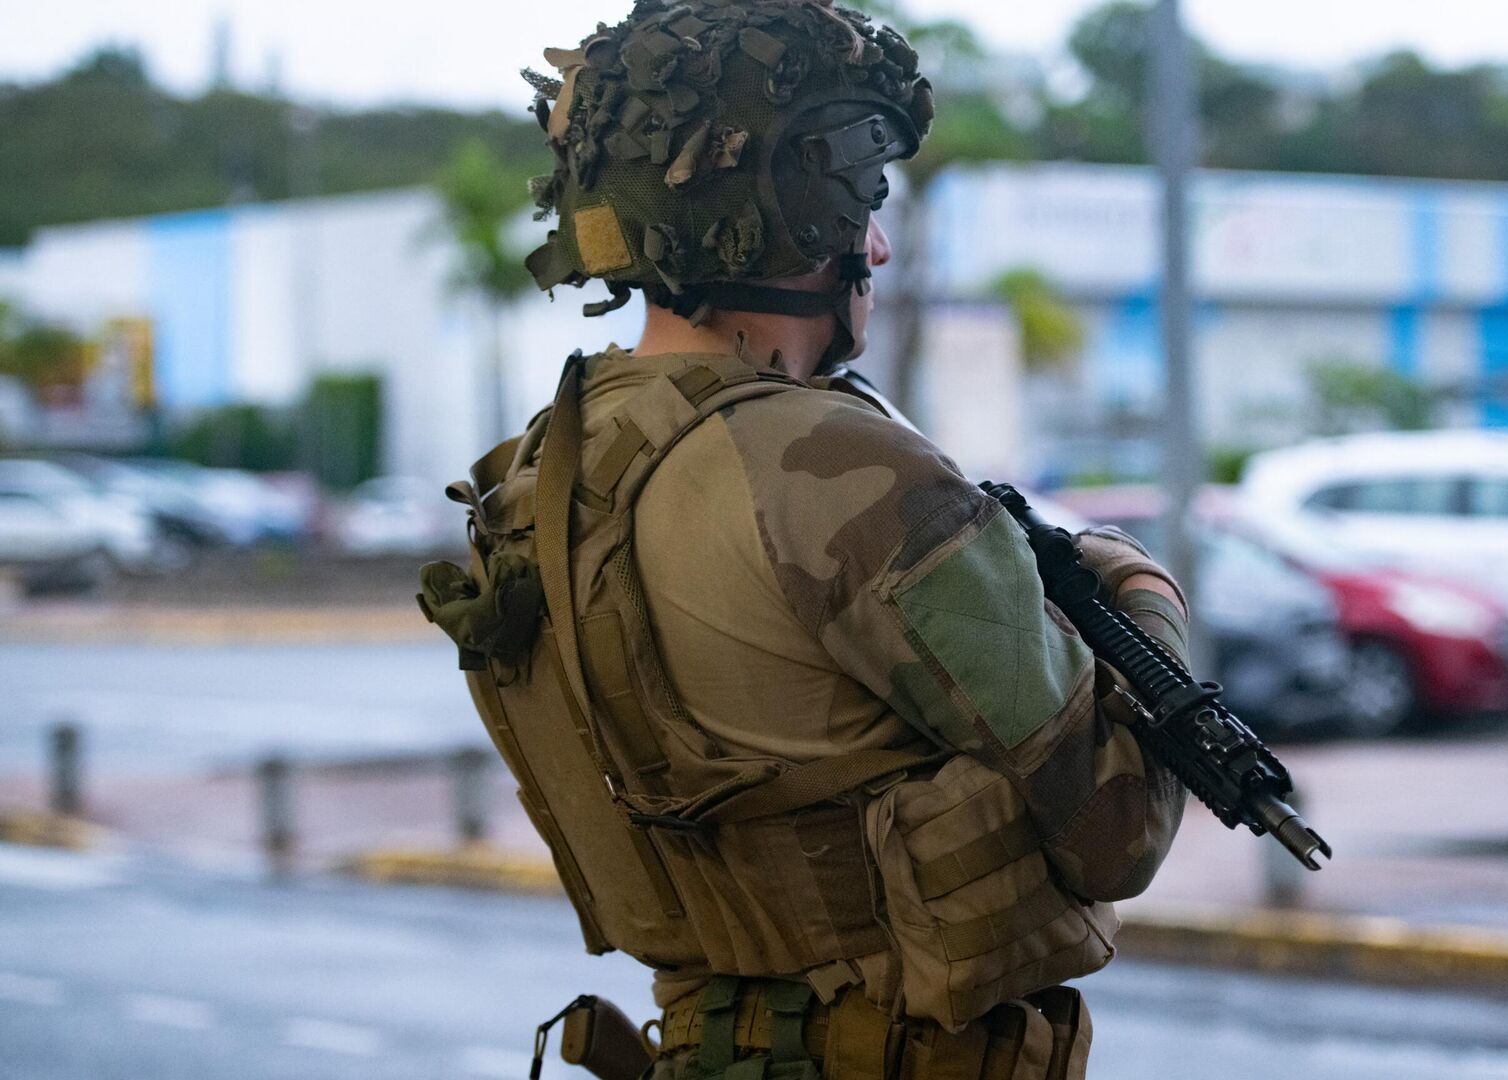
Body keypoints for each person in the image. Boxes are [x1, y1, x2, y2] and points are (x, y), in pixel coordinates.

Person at [419, 2, 1189, 1076]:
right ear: (801, 211)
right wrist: (1141, 587)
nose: (877, 242)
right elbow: (1117, 830)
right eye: (865, 201)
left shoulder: (542, 478)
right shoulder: (835, 470)